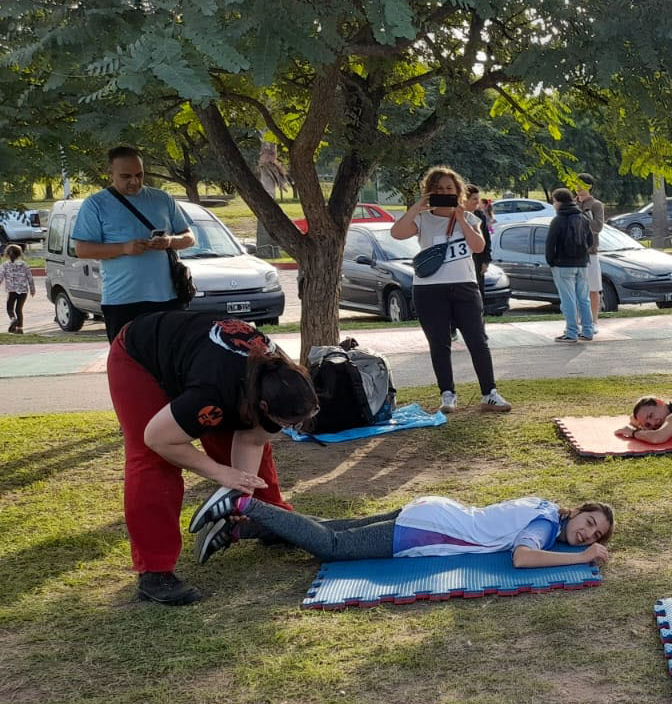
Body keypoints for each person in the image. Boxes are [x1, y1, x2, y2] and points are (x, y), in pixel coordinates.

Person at [107, 312, 318, 605]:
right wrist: (220, 473)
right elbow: (158, 438)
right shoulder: (213, 392)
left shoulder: (282, 375)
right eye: (288, 423)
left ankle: (270, 519)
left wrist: (242, 498)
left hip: (204, 363)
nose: (291, 428)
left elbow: (252, 438)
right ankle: (155, 572)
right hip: (141, 357)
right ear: (263, 404)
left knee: (239, 442)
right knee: (154, 460)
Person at [192, 488, 613, 568]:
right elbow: (522, 558)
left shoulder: (545, 505)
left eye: (595, 536)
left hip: (434, 510)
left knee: (331, 525)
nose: (587, 534)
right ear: (577, 512)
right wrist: (581, 557)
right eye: (589, 523)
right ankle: (241, 504)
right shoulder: (544, 524)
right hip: (426, 530)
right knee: (333, 545)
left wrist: (581, 547)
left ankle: (238, 530)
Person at [392, 166, 510, 412]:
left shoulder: (470, 218)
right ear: (430, 191)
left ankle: (489, 393)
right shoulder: (423, 219)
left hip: (464, 286)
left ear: (458, 191)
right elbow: (397, 233)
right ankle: (447, 394)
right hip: (429, 289)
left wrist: (461, 219)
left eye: (449, 188)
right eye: (439, 189)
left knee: (477, 340)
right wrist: (417, 207)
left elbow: (478, 247)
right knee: (439, 343)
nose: (445, 192)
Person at [71, 145, 196, 341]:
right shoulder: (95, 204)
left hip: (168, 298)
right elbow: (82, 250)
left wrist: (169, 241)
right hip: (122, 301)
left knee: (170, 357)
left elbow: (189, 238)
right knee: (127, 357)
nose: (134, 181)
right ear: (110, 173)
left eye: (139, 175)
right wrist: (124, 248)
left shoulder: (162, 199)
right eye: (126, 176)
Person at [545, 186, 597, 343]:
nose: (554, 205)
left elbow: (550, 244)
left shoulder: (558, 220)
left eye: (554, 201)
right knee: (583, 299)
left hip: (563, 264)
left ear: (559, 202)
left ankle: (571, 332)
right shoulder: (583, 218)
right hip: (582, 263)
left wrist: (551, 261)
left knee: (568, 299)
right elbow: (590, 241)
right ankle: (587, 330)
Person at [575, 172, 607, 323]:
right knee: (575, 289)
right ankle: (577, 319)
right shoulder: (572, 204)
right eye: (576, 184)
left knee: (593, 289)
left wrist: (585, 218)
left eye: (582, 185)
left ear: (590, 186)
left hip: (590, 252)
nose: (578, 188)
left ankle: (593, 320)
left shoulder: (596, 205)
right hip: (573, 253)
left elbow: (598, 227)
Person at [464, 184, 493, 297]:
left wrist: (486, 261)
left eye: (478, 198)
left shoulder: (480, 215)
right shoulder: (455, 216)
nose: (478, 202)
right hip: (463, 261)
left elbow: (486, 239)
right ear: (464, 199)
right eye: (474, 199)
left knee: (478, 294)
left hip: (478, 261)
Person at [3, 242, 35, 333]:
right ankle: (20, 329)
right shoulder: (24, 264)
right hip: (23, 291)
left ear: (7, 254)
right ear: (19, 254)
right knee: (19, 309)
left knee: (10, 308)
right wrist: (32, 289)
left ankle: (13, 319)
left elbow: (0, 277)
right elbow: (30, 278)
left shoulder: (5, 265)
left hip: (11, 290)